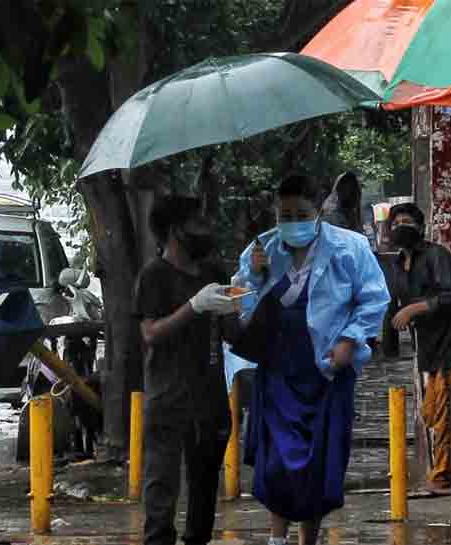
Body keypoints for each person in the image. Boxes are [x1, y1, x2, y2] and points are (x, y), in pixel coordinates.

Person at [231, 174, 390, 545]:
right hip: (277, 369)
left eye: (300, 213)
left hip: (328, 370)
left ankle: (309, 539)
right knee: (277, 459)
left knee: (320, 459)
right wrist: (254, 276)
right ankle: (276, 537)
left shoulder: (349, 248)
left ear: (318, 210)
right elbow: (240, 309)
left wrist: (351, 340)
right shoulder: (262, 250)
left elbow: (374, 299)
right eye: (284, 214)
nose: (291, 221)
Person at [134, 196, 238, 545]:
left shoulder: (213, 271)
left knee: (205, 484)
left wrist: (243, 299)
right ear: (174, 230)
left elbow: (233, 333)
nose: (205, 228)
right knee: (161, 484)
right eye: (196, 221)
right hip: (168, 397)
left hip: (209, 396)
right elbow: (150, 333)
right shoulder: (154, 275)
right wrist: (193, 306)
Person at [386, 202, 451, 496]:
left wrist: (414, 309)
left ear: (420, 227)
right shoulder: (397, 264)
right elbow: (391, 305)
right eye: (396, 222)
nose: (401, 226)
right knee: (431, 411)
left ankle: (443, 477)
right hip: (427, 346)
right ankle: (439, 473)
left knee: (447, 411)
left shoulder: (437, 256)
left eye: (407, 221)